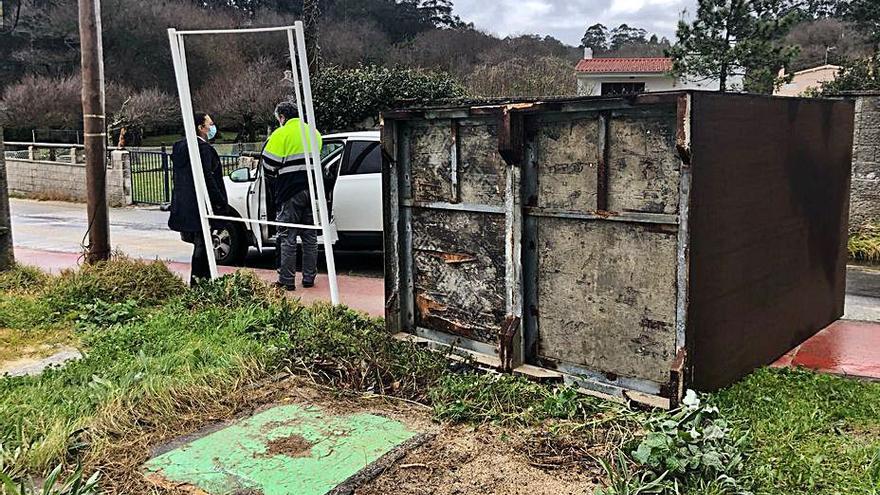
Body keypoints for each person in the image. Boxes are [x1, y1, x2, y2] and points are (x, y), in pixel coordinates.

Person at [261, 101, 322, 291]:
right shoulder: (314, 132)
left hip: (289, 192)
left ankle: (287, 281)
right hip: (311, 192)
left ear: (282, 117)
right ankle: (309, 278)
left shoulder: (280, 134)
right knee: (310, 237)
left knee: (287, 237)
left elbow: (269, 165)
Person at [168, 112, 229, 286]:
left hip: (185, 203)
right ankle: (199, 283)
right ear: (200, 128)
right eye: (210, 124)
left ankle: (202, 281)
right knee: (203, 244)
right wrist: (219, 201)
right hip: (201, 204)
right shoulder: (203, 150)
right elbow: (208, 179)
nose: (212, 127)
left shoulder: (180, 148)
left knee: (200, 243)